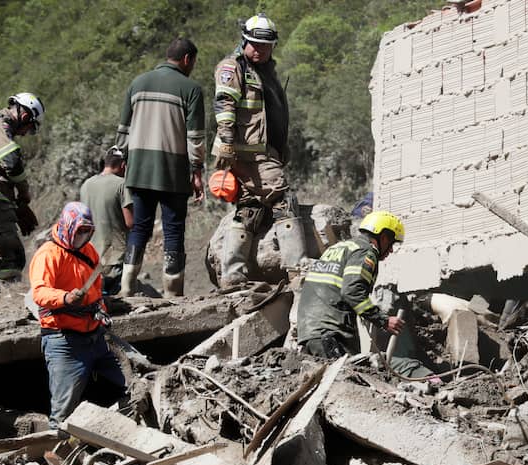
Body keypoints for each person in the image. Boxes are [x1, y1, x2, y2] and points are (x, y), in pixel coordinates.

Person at [116, 37, 206, 297]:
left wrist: (124, 158)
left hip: (139, 169)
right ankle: (172, 292)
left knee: (139, 228)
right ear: (187, 59)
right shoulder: (191, 89)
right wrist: (197, 170)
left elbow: (123, 130)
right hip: (173, 171)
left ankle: (127, 287)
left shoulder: (138, 83)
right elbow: (195, 137)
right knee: (173, 229)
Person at [29, 202, 125, 429]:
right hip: (64, 341)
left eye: (87, 231)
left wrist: (101, 307)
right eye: (80, 230)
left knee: (130, 383)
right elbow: (40, 292)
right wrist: (65, 298)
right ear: (68, 226)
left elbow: (96, 286)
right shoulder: (48, 254)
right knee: (63, 411)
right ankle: (57, 444)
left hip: (95, 336)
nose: (83, 235)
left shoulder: (88, 251)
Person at [213, 12, 291, 288]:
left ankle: (232, 275)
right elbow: (224, 104)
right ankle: (297, 267)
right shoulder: (233, 67)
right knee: (282, 198)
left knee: (249, 207)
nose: (259, 50)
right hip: (247, 151)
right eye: (255, 44)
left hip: (261, 150)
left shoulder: (267, 71)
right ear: (244, 41)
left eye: (265, 45)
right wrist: (226, 141)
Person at [297, 211, 406, 357]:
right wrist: (383, 320)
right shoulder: (365, 251)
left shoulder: (339, 248)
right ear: (384, 237)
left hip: (309, 330)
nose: (391, 250)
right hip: (331, 333)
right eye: (391, 243)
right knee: (346, 371)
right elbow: (352, 291)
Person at [0, 92, 44, 282]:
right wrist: (24, 195)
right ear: (25, 116)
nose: (24, 134)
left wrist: (16, 205)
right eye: (29, 128)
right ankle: (8, 294)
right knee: (12, 257)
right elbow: (12, 162)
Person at [80, 147, 133, 295]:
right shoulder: (122, 185)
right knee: (115, 301)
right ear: (123, 165)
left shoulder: (86, 185)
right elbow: (130, 223)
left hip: (89, 257)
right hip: (114, 258)